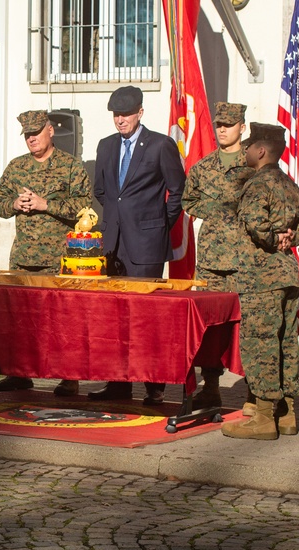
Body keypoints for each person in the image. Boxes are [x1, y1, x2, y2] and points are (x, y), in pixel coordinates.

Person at [91, 86, 186, 405]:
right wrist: (116, 222)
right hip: (113, 246)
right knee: (114, 317)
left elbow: (178, 192)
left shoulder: (160, 145)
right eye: (116, 114)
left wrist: (157, 226)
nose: (121, 119)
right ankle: (117, 383)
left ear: (140, 112)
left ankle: (153, 385)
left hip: (146, 246)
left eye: (126, 113)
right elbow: (103, 192)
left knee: (146, 318)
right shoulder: (105, 146)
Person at [221, 122, 299, 440]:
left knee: (260, 343)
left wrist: (275, 239)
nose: (245, 150)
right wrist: (290, 238)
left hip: (262, 278)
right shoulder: (288, 184)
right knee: (285, 343)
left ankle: (262, 417)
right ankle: (286, 413)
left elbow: (252, 221)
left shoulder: (258, 183)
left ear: (261, 151)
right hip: (287, 276)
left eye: (249, 146)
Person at [0, 109, 91, 397]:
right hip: (23, 256)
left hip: (59, 258)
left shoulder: (70, 167)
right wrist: (15, 204)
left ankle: (67, 375)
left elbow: (84, 206)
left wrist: (47, 204)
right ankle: (19, 373)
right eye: (27, 135)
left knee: (61, 319)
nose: (31, 139)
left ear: (51, 131)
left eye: (36, 132)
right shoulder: (16, 167)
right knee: (18, 318)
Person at [182, 102, 254, 410]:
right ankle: (210, 387)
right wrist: (216, 211)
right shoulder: (203, 167)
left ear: (242, 126)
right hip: (212, 262)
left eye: (229, 124)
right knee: (210, 330)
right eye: (219, 124)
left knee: (249, 326)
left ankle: (256, 392)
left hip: (245, 261)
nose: (222, 129)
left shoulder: (254, 165)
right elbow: (188, 200)